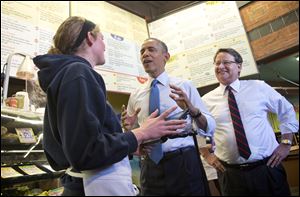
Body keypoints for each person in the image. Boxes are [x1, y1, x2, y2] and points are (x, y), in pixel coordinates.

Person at [33, 16, 186, 196]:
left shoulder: (70, 74)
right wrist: (141, 133)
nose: (105, 46)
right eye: (102, 39)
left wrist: (130, 144)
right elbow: (86, 152)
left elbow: (79, 147)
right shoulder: (78, 73)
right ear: (90, 37)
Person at [121, 38, 216, 195]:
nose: (145, 54)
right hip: (150, 166)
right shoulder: (136, 95)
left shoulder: (183, 86)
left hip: (183, 162)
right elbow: (135, 136)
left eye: (151, 49)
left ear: (166, 56)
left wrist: (192, 109)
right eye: (142, 51)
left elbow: (210, 127)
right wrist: (128, 129)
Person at [201, 48, 299, 196]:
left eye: (226, 62)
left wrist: (286, 143)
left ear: (239, 66)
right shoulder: (205, 101)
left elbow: (286, 111)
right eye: (217, 63)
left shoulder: (259, 87)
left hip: (267, 169)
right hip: (231, 175)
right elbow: (196, 131)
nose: (220, 66)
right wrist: (207, 155)